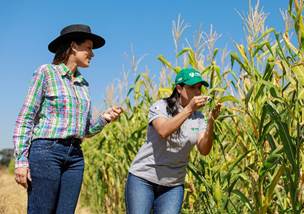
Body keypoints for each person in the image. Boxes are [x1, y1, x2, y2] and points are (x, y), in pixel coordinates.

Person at [13, 24, 123, 213]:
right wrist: (21, 161)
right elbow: (26, 117)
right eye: (89, 48)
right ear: (73, 46)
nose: (92, 54)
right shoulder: (46, 72)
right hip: (46, 152)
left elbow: (85, 131)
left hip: (75, 157)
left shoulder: (83, 84)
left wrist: (104, 118)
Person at [125, 68, 222, 213]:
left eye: (199, 88)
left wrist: (211, 122)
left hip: (173, 185)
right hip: (143, 179)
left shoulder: (199, 118)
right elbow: (163, 131)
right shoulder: (161, 107)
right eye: (192, 87)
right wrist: (188, 109)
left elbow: (204, 150)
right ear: (179, 88)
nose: (198, 92)